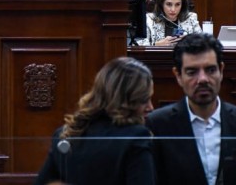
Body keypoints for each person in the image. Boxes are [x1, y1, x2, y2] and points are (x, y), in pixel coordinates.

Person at [145, 33, 236, 185]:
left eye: (210, 70)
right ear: (178, 75)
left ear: (221, 70)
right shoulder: (159, 124)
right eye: (192, 72)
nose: (203, 79)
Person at [34, 57, 155, 185]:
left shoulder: (65, 134)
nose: (151, 107)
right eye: (144, 100)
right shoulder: (136, 137)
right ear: (127, 100)